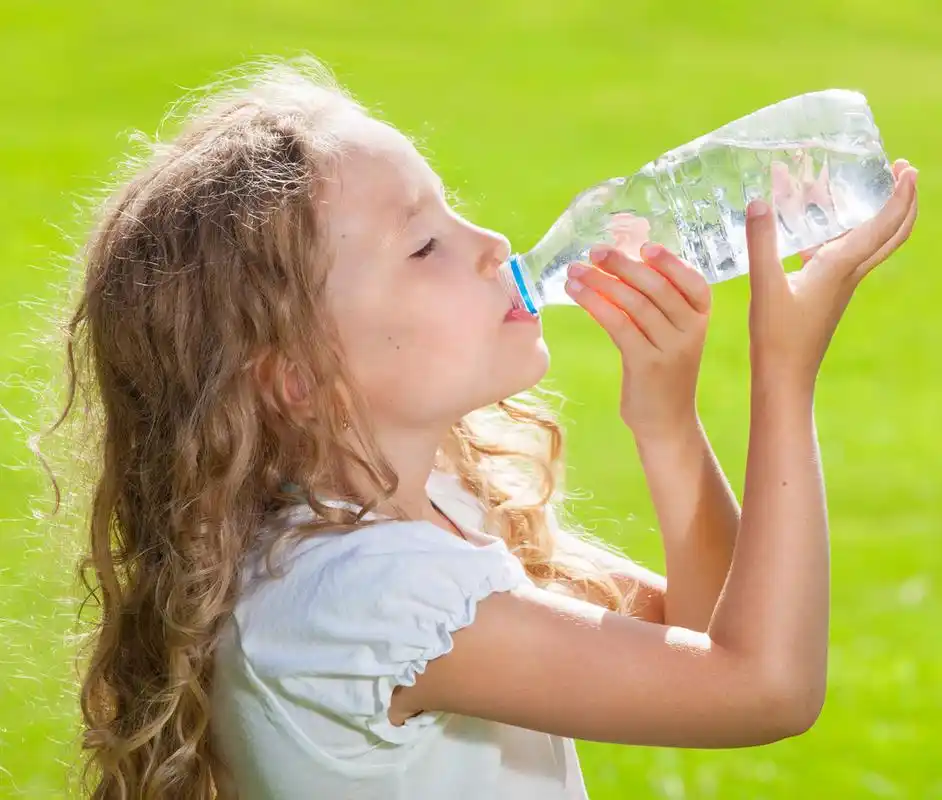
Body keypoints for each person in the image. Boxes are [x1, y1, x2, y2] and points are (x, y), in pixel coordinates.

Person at [51, 57, 918, 799]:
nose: (492, 241)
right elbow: (763, 689)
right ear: (297, 378)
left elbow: (699, 632)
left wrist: (666, 422)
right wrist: (783, 377)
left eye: (451, 209)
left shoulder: (420, 507)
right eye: (424, 245)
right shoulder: (362, 597)